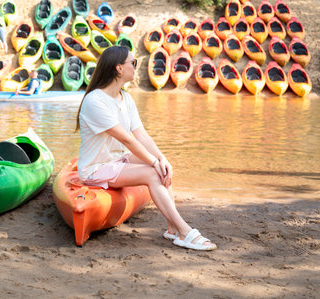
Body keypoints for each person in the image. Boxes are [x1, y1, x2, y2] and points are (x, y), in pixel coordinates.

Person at [75, 46, 217, 251]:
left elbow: (141, 135)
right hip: (96, 168)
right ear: (118, 69)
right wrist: (153, 163)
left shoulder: (126, 98)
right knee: (153, 173)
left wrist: (162, 158)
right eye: (132, 63)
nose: (135, 66)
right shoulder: (95, 101)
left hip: (118, 160)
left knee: (162, 167)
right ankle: (185, 232)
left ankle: (172, 229)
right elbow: (128, 140)